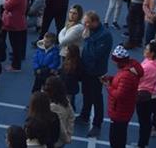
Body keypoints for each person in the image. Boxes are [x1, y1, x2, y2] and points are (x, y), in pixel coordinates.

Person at [77, 11, 113, 139]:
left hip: (97, 71)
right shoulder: (90, 31)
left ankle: (97, 124)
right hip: (86, 69)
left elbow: (96, 54)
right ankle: (84, 115)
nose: (84, 25)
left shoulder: (105, 36)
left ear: (95, 22)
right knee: (86, 92)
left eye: (87, 22)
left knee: (97, 97)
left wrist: (88, 39)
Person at [104, 45, 143, 148]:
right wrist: (111, 79)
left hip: (120, 111)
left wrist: (108, 87)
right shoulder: (128, 70)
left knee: (116, 138)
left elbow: (119, 94)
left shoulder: (126, 75)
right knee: (119, 136)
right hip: (123, 110)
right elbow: (122, 84)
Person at [135, 41, 156, 148]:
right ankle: (143, 143)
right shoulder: (153, 63)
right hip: (150, 95)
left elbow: (139, 77)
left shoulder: (149, 67)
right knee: (145, 121)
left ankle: (142, 144)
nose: (144, 50)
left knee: (144, 122)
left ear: (152, 53)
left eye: (147, 49)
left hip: (145, 96)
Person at [3, 0, 29, 71]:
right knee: (17, 44)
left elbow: (6, 6)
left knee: (15, 44)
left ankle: (15, 66)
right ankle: (16, 63)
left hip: (14, 22)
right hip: (18, 21)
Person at [43, 76, 74, 147]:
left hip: (54, 141)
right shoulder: (65, 100)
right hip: (61, 140)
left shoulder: (53, 107)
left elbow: (60, 126)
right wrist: (69, 133)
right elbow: (71, 117)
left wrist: (66, 138)